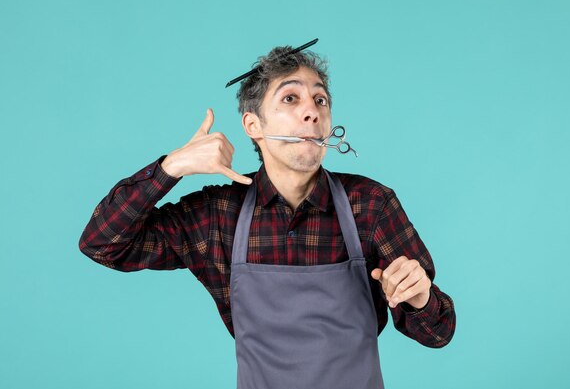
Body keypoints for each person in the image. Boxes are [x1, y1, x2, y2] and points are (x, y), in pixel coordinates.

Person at [79, 43, 456, 389]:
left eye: (320, 100)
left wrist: (420, 298)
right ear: (253, 126)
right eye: (290, 98)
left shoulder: (370, 205)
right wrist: (172, 166)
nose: (311, 111)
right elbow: (103, 244)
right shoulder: (217, 217)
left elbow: (438, 333)